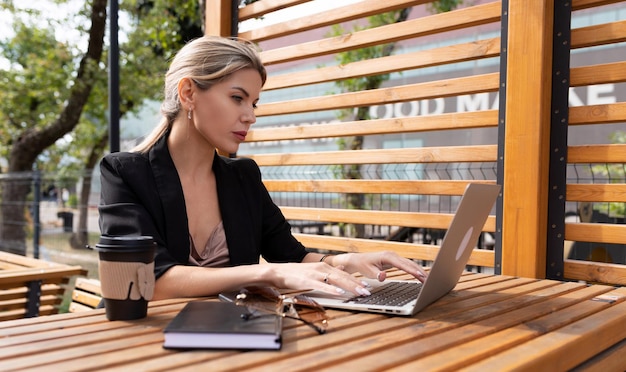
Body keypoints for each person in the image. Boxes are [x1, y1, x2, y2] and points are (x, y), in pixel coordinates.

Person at [98, 36, 427, 301]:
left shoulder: (243, 176)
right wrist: (266, 273)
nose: (250, 116)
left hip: (226, 341)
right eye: (237, 98)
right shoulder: (124, 173)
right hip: (140, 341)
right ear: (188, 93)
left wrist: (345, 261)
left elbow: (291, 258)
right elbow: (148, 280)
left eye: (254, 103)